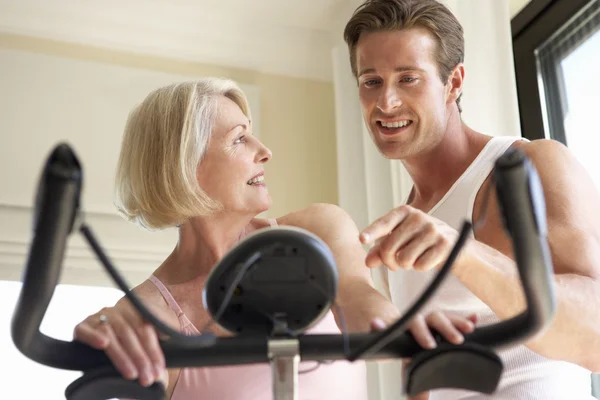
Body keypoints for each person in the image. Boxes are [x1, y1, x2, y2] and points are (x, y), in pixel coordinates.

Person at [72, 78, 477, 400]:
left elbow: (360, 302)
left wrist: (407, 330)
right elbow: (113, 356)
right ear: (184, 165)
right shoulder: (150, 315)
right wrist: (102, 341)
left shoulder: (317, 229)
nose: (264, 151)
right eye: (239, 138)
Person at [342, 0, 600, 399]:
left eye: (408, 78)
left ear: (454, 82)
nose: (386, 102)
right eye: (371, 81)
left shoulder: (529, 164)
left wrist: (463, 252)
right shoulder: (409, 225)